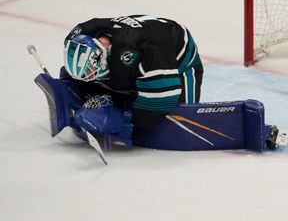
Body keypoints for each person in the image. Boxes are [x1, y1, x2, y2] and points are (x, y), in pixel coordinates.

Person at [62, 15, 203, 141]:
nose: (88, 72)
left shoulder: (146, 51)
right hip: (134, 36)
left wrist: (123, 121)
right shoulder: (80, 34)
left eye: (91, 68)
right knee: (106, 79)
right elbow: (75, 70)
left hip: (178, 52)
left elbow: (161, 101)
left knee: (180, 114)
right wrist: (68, 89)